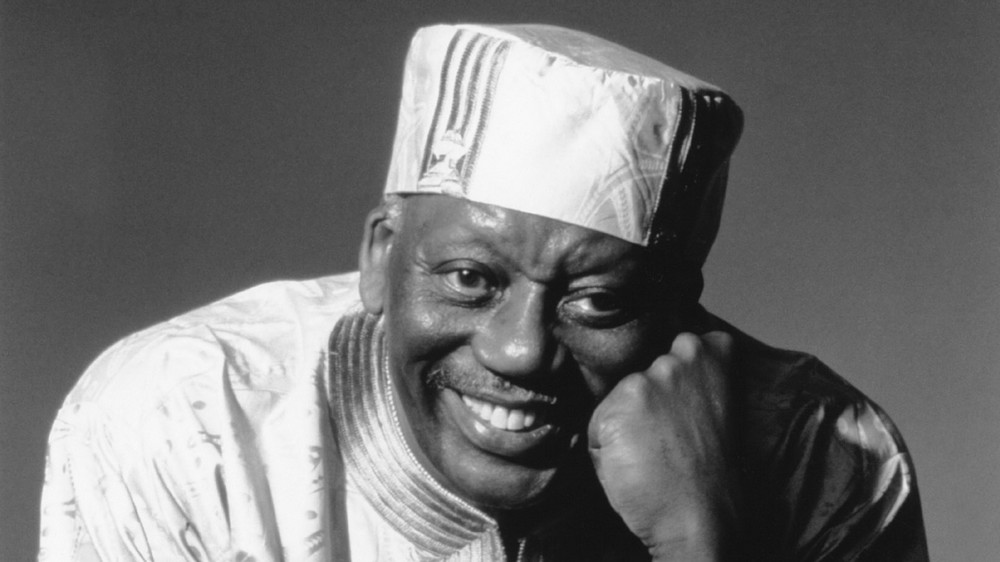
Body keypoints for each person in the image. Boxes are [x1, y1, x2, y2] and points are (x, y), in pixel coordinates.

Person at [39, 23, 928, 561]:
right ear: (381, 256)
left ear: (678, 308)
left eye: (597, 302)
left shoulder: (828, 460)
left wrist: (704, 537)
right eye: (470, 279)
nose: (521, 351)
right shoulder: (191, 419)